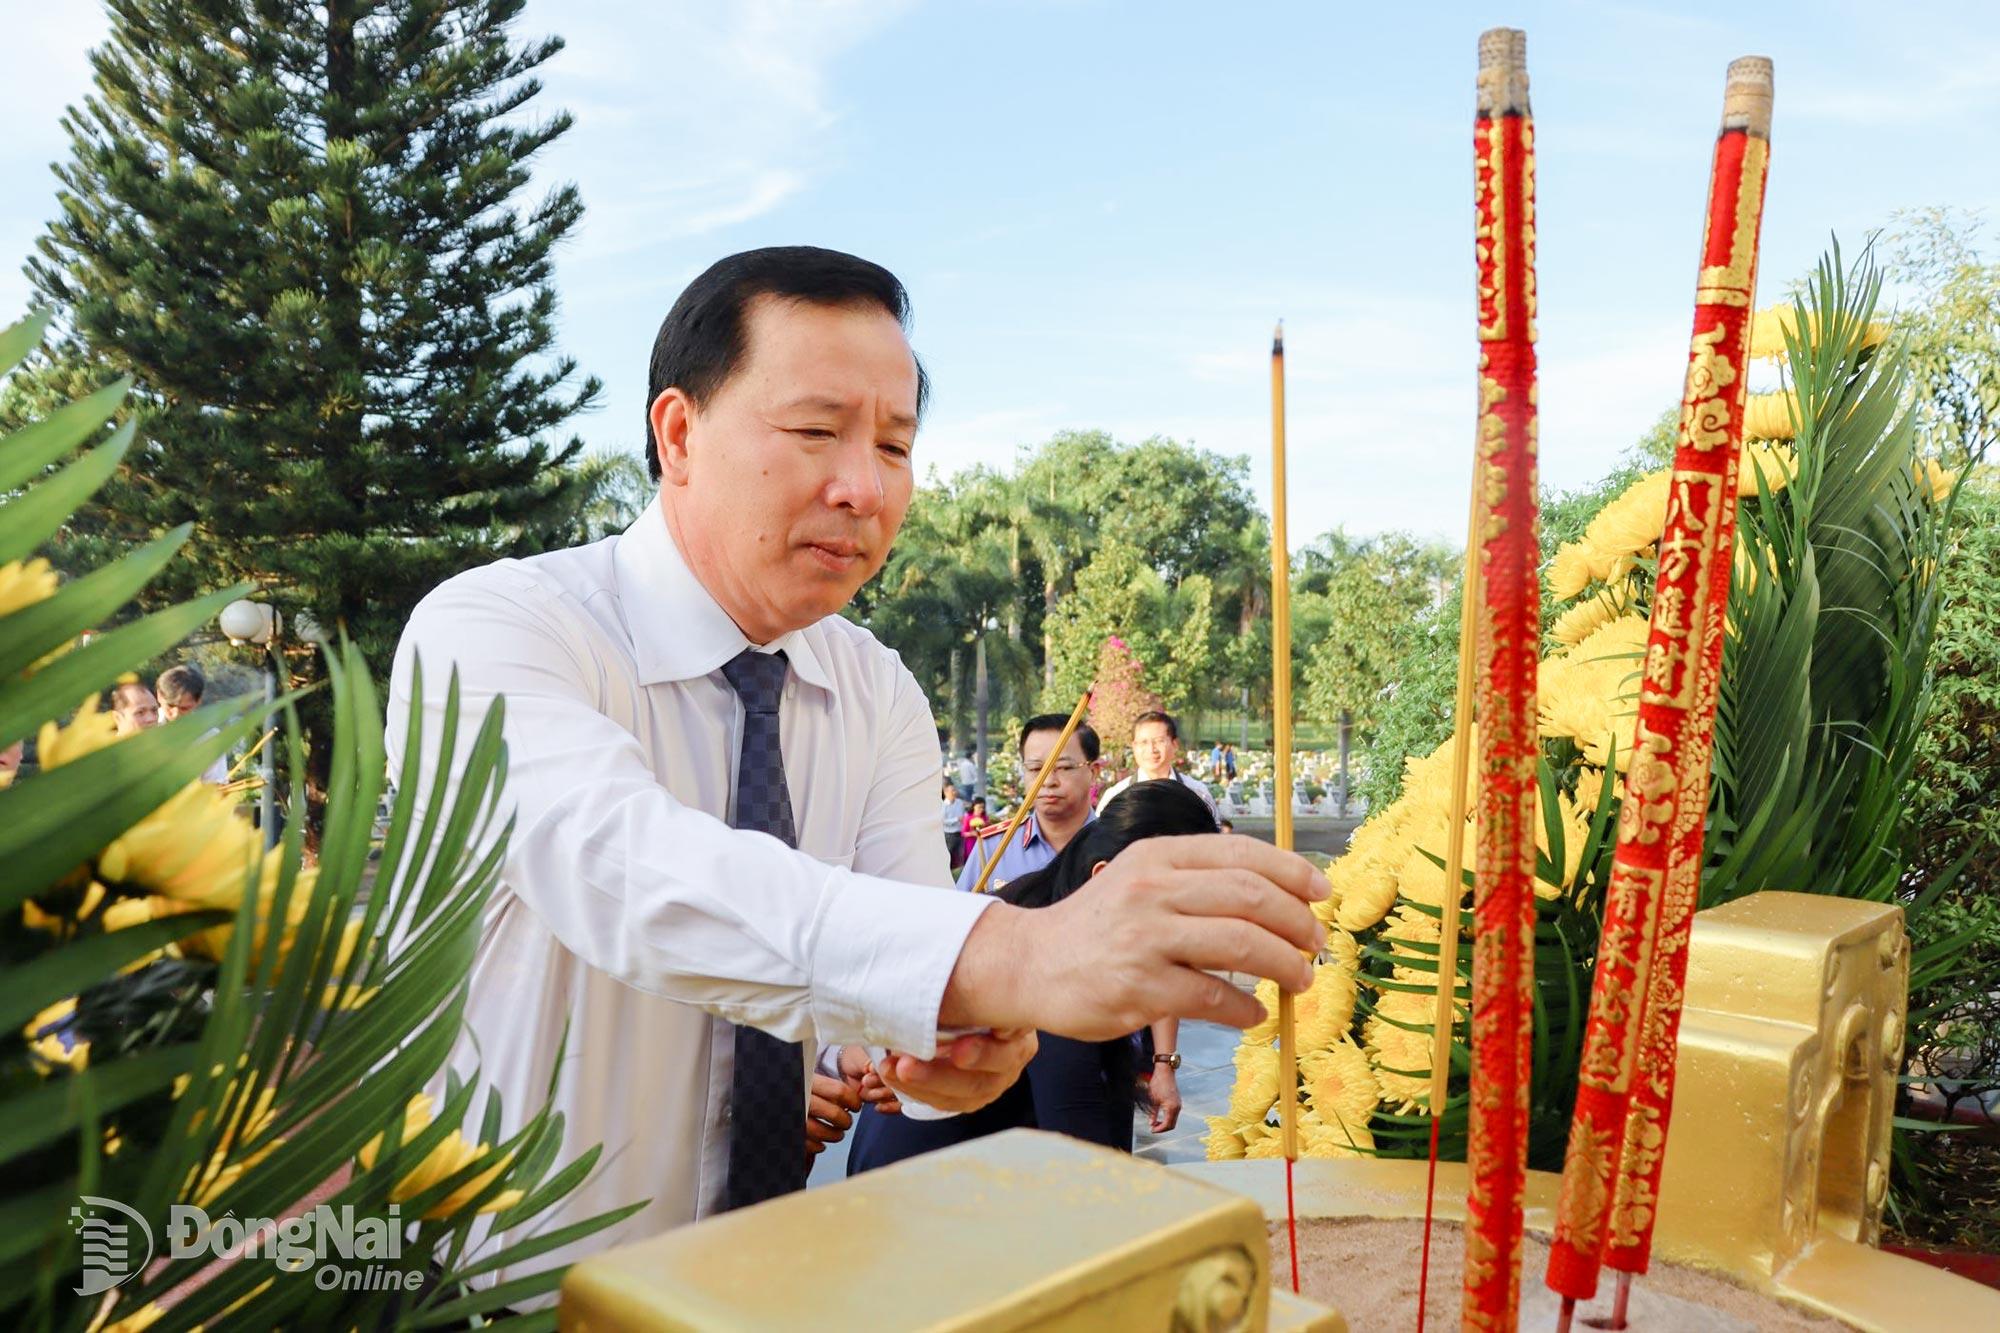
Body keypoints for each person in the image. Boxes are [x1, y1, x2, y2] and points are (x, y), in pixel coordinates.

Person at [385, 245, 1327, 1292]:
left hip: (767, 1287)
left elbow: (894, 980)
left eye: (893, 443)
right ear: (679, 432)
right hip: (498, 1291)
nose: (862, 486)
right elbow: (623, 873)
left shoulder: (872, 687)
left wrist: (956, 1055)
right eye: (815, 432)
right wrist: (1018, 956)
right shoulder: (497, 630)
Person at [848, 779, 1218, 1173]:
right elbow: (1087, 1165)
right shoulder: (1055, 969)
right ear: (1105, 877)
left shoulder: (1046, 905)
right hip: (918, 1192)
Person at [954, 714, 1098, 895]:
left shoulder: (1121, 846)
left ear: (1093, 772)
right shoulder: (993, 848)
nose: (1048, 781)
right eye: (1036, 769)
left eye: (1064, 767)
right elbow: (962, 918)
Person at [1097, 710, 1219, 824]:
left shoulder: (1198, 793)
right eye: (1144, 742)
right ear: (1134, 747)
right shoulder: (1115, 797)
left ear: (1174, 744)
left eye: (1159, 741)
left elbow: (1213, 838)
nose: (1151, 749)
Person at [156, 663, 229, 783]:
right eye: (170, 706)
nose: (175, 714)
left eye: (184, 708)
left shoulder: (209, 737)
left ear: (198, 701)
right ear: (159, 695)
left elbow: (215, 786)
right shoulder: (143, 726)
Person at [939, 780, 968, 872]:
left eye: (955, 790)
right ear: (946, 792)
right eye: (952, 791)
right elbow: (942, 821)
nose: (955, 792)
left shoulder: (959, 802)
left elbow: (963, 816)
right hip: (949, 834)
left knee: (960, 855)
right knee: (948, 856)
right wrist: (956, 819)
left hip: (960, 832)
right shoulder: (943, 806)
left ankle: (959, 874)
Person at [958, 796, 990, 864]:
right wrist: (972, 833)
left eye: (983, 807)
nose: (981, 809)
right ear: (974, 806)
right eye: (979, 807)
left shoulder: (985, 817)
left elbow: (988, 828)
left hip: (983, 843)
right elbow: (963, 833)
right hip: (971, 844)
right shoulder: (968, 817)